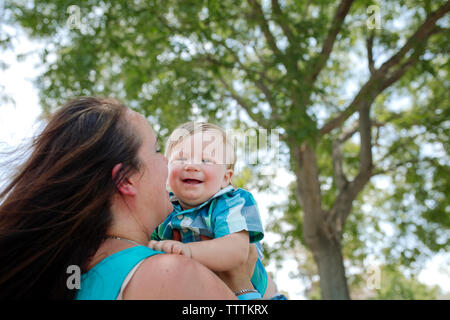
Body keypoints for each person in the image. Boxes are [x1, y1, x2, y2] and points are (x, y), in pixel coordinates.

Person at [0, 97, 259, 300]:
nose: (168, 162)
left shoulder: (68, 274)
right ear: (126, 179)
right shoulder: (169, 274)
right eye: (157, 151)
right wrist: (242, 289)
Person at [149, 122, 286, 300]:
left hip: (257, 295)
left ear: (225, 178)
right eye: (181, 159)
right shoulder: (164, 209)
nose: (191, 166)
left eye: (206, 160)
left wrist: (187, 251)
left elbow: (236, 251)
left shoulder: (230, 202)